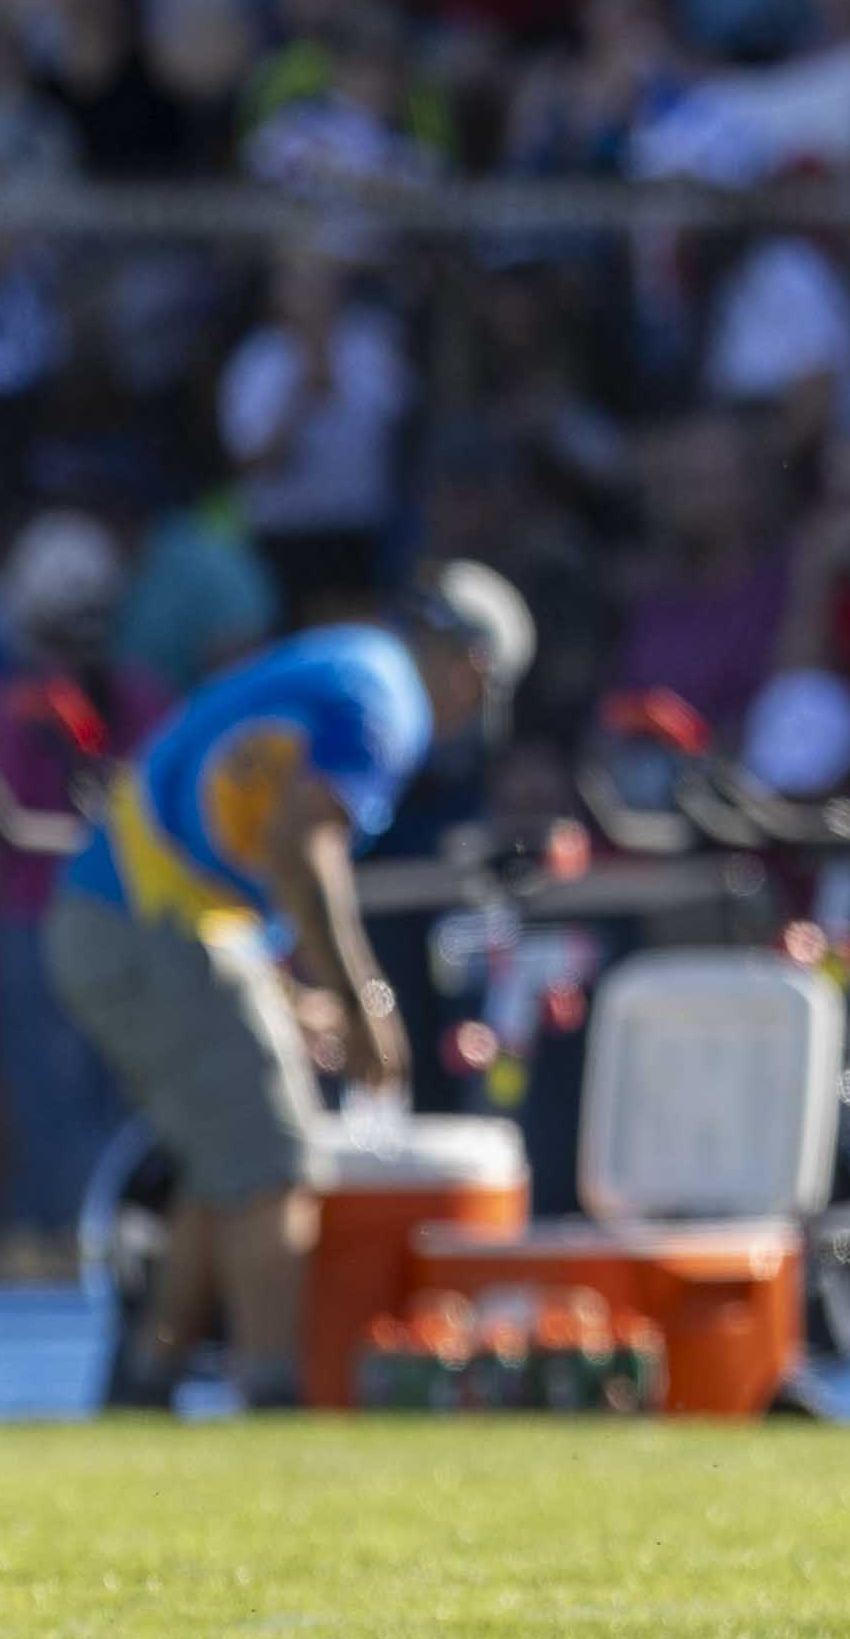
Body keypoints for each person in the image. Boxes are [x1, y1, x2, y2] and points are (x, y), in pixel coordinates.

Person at [42, 566, 526, 1407]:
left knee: (226, 1161)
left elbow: (237, 842)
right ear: (472, 668)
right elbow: (305, 850)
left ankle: (145, 1379)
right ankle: (276, 1395)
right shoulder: (387, 703)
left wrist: (290, 995)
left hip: (125, 915)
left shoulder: (353, 660)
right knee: (276, 1161)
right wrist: (365, 1002)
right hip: (148, 922)